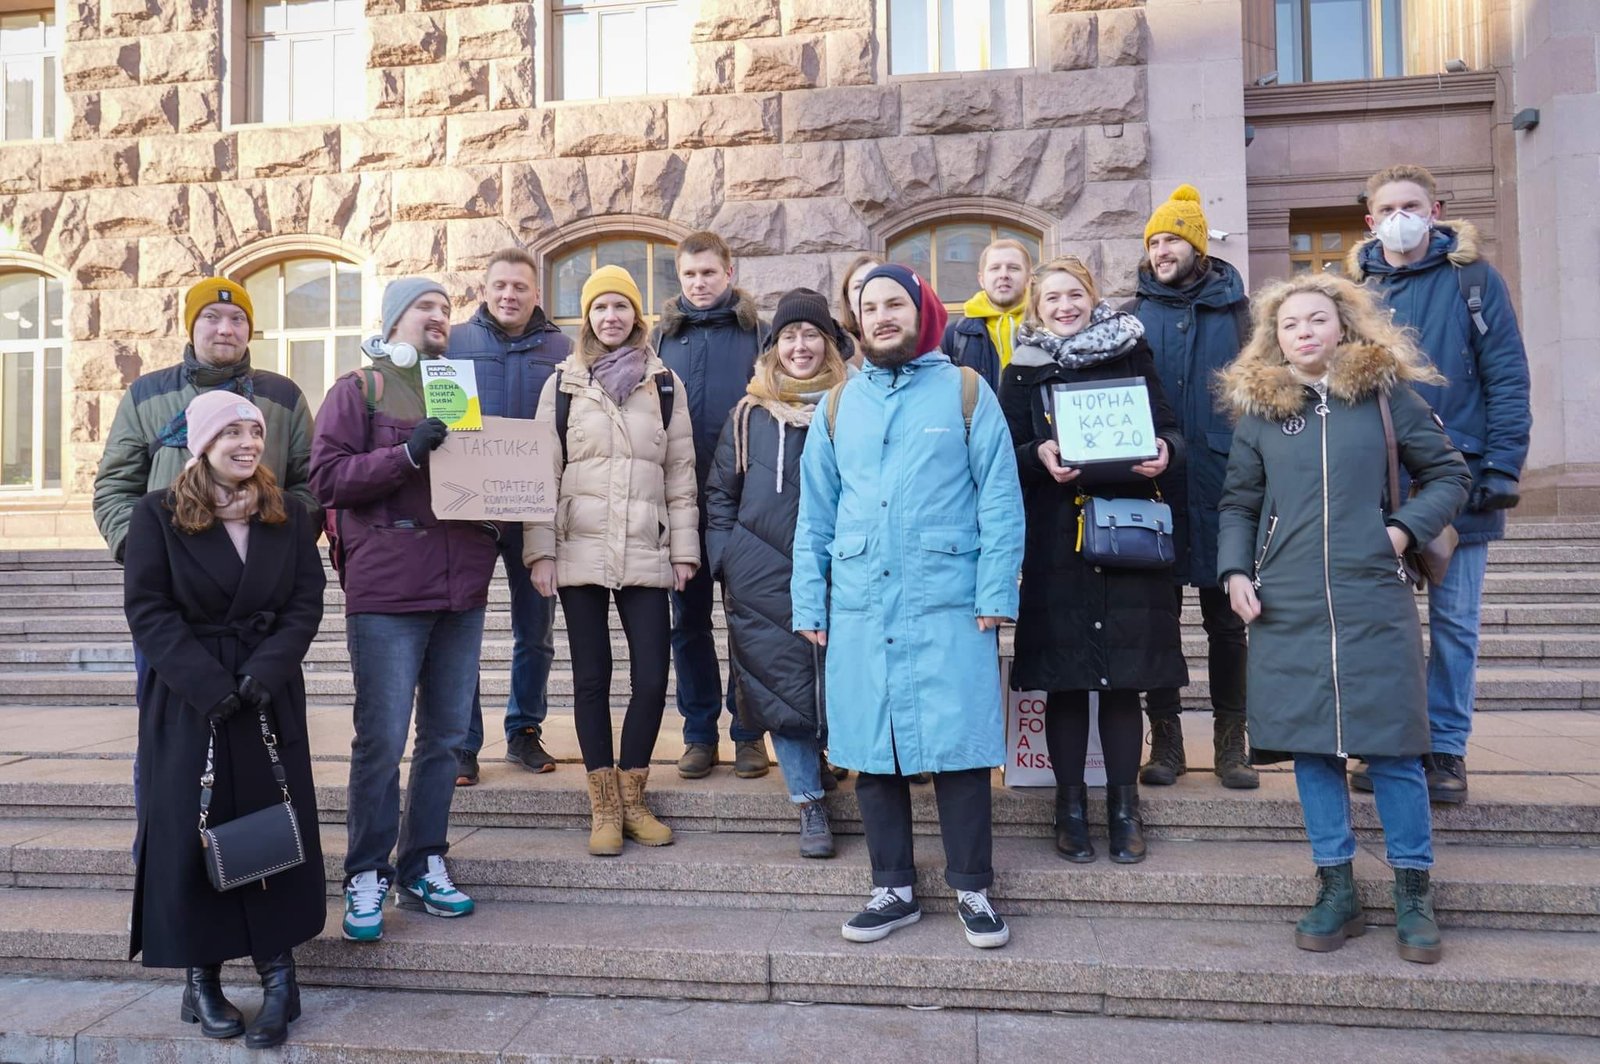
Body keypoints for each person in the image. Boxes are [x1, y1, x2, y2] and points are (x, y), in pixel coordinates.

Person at [1217, 273, 1469, 964]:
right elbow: (1238, 501)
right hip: (1288, 601)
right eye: (1291, 323)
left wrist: (1400, 532)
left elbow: (1449, 475)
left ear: (1344, 327)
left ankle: (1413, 894)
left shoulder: (1388, 399)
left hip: (1373, 596)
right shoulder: (1262, 415)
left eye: (1317, 319)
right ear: (1276, 336)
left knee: (1392, 750)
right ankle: (1337, 889)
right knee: (1312, 751)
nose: (1304, 331)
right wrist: (1236, 570)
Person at [792, 264, 1025, 949]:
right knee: (870, 745)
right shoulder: (837, 405)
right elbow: (815, 515)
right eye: (871, 308)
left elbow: (1000, 498)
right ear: (858, 323)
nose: (883, 316)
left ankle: (973, 888)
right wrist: (811, 599)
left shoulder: (965, 391)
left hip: (947, 599)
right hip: (863, 602)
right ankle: (890, 887)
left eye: (895, 303)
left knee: (959, 746)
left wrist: (994, 590)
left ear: (922, 311)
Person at [123, 391, 326, 1049]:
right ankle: (201, 980)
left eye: (254, 431)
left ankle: (278, 976)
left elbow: (304, 602)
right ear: (203, 441)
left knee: (271, 831)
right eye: (231, 432)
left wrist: (264, 673)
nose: (246, 443)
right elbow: (149, 609)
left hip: (265, 697)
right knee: (191, 832)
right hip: (189, 699)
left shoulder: (289, 515)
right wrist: (208, 685)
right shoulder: (156, 515)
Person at [93, 277, 318, 861]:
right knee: (168, 741)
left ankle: (255, 866)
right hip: (177, 606)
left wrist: (281, 551)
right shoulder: (146, 395)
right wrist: (145, 552)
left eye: (237, 319)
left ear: (250, 329)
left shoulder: (283, 396)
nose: (226, 329)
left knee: (256, 743)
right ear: (191, 328)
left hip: (254, 603)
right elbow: (114, 485)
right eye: (213, 319)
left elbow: (308, 486)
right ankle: (162, 861)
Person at [310, 278, 494, 943]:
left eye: (445, 309)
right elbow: (326, 478)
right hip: (389, 592)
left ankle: (424, 861)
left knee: (446, 737)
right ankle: (366, 870)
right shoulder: (359, 390)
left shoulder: (456, 388)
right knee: (383, 739)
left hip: (458, 589)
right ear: (394, 322)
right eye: (427, 308)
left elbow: (476, 476)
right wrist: (408, 452)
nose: (440, 317)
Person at [1347, 164, 1532, 805]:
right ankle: (1391, 742)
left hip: (1462, 481)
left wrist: (1504, 465)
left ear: (1436, 210)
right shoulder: (1355, 289)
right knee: (1383, 626)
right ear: (1370, 221)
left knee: (1454, 626)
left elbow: (1506, 374)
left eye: (1412, 204)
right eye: (1388, 207)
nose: (1401, 216)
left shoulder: (1474, 281)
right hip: (1377, 487)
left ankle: (1446, 748)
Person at [1000, 257, 1186, 864]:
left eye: (1074, 293)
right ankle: (1070, 809)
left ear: (1093, 296)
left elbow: (1171, 430)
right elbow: (1001, 453)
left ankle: (1125, 812)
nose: (1064, 305)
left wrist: (1165, 450)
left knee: (1123, 684)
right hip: (1057, 542)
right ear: (1036, 307)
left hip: (1128, 535)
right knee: (1066, 684)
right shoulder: (1021, 370)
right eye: (1051, 297)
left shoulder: (1133, 353)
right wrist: (1038, 454)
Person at [526, 264, 698, 857]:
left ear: (636, 316)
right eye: (600, 308)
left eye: (621, 307)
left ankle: (633, 795)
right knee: (591, 677)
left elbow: (680, 474)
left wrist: (684, 551)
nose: (611, 317)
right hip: (579, 546)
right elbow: (542, 473)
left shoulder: (665, 384)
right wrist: (540, 550)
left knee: (652, 677)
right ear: (588, 317)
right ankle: (602, 806)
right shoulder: (563, 384)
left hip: (645, 547)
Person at [706, 288, 852, 858]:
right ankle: (808, 802)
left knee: (840, 678)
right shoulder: (749, 415)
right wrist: (727, 557)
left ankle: (836, 759)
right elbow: (720, 494)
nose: (800, 345)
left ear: (829, 343)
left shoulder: (853, 406)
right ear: (773, 348)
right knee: (781, 687)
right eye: (788, 335)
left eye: (811, 334)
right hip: (761, 574)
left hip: (843, 567)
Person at [1131, 184, 1258, 790]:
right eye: (1154, 241)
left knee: (1227, 622)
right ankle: (1168, 739)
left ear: (1198, 246)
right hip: (1153, 489)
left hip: (1222, 486)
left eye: (1172, 239)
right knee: (1157, 622)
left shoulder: (1240, 313)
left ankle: (1234, 740)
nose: (1161, 250)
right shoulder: (1131, 316)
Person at [448, 247, 573, 786]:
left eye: (520, 287)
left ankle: (523, 730)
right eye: (500, 286)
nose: (509, 295)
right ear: (485, 288)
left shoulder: (563, 348)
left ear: (537, 293)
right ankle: (462, 742)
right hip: (470, 512)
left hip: (533, 510)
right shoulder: (454, 343)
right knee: (462, 633)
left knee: (536, 631)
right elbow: (446, 419)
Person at [652, 231, 772, 780]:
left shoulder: (760, 337)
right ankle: (698, 734)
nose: (699, 284)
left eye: (708, 273)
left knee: (747, 626)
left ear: (729, 271)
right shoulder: (659, 340)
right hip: (681, 511)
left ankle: (748, 734)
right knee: (689, 626)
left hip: (747, 512)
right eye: (689, 275)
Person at [941, 238, 1032, 391]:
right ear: (981, 279)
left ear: (1029, 278)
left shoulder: (1046, 328)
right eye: (995, 268)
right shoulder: (955, 335)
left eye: (1013, 268)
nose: (1004, 275)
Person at [835, 253, 880, 367]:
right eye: (858, 286)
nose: (867, 290)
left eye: (874, 282)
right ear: (848, 300)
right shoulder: (835, 347)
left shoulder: (908, 341)